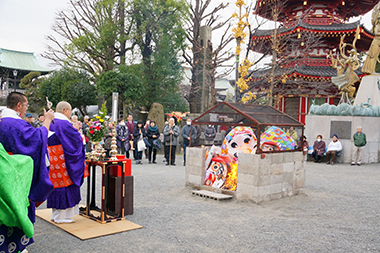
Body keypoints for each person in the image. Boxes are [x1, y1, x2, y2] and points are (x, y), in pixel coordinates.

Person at [0, 92, 55, 253]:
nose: (26, 109)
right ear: (18, 106)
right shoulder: (14, 123)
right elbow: (36, 140)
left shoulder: (3, 121)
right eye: (26, 105)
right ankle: (15, 246)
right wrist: (48, 121)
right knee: (17, 207)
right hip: (15, 173)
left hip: (4, 172)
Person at [46, 101, 86, 224]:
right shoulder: (63, 123)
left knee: (56, 186)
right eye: (70, 110)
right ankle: (60, 216)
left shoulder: (51, 122)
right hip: (63, 161)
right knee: (65, 185)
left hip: (52, 160)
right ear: (65, 110)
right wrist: (77, 130)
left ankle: (55, 214)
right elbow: (75, 141)